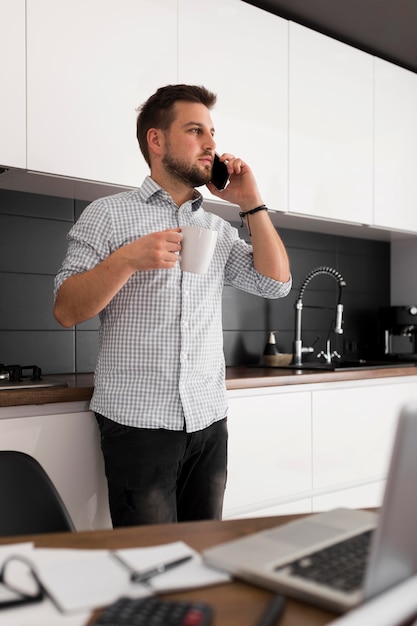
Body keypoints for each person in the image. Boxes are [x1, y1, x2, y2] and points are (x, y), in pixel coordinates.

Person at [53, 84, 292, 528]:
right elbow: (66, 309)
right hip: (138, 423)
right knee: (152, 562)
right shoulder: (107, 215)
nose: (212, 144)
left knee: (204, 552)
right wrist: (127, 259)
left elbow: (276, 283)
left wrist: (250, 201)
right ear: (157, 141)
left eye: (213, 133)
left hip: (207, 419)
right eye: (196, 130)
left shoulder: (217, 229)